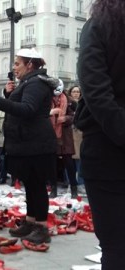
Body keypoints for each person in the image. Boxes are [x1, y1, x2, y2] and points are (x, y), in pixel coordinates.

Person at [0, 48, 57, 246]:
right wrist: (9, 95)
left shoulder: (36, 83)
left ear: (30, 65)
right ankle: (31, 222)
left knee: (37, 186)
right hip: (28, 143)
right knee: (31, 185)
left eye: (17, 63)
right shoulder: (28, 82)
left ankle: (41, 228)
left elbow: (28, 109)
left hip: (36, 144)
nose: (14, 67)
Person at [75, 1, 125, 268]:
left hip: (106, 145)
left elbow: (95, 91)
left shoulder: (98, 26)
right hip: (108, 145)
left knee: (116, 246)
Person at [68, 86, 84, 191]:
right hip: (69, 134)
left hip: (80, 134)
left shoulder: (83, 103)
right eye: (74, 91)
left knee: (80, 160)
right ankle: (71, 183)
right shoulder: (67, 104)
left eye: (78, 92)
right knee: (69, 161)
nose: (76, 93)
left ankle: (81, 184)